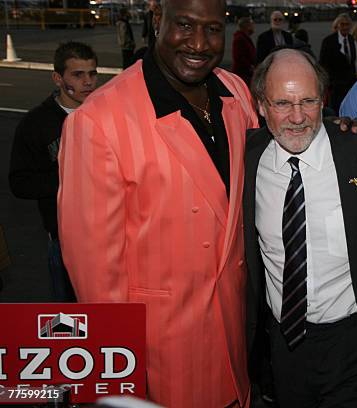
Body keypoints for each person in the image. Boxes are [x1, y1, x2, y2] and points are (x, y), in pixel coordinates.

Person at [57, 0, 259, 406]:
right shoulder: (98, 120)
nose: (199, 43)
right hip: (160, 360)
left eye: (213, 29)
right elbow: (97, 281)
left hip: (235, 342)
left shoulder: (235, 91)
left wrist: (342, 138)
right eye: (184, 25)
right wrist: (121, 385)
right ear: (156, 21)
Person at [245, 49, 357, 408]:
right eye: (283, 103)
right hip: (283, 346)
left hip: (355, 343)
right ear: (261, 105)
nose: (297, 118)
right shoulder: (247, 156)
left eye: (308, 101)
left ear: (324, 99)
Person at [9, 41, 98, 303]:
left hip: (115, 234)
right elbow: (20, 182)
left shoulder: (107, 113)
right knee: (71, 318)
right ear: (58, 78)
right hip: (65, 238)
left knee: (112, 317)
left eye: (92, 73)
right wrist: (71, 178)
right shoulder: (36, 124)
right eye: (78, 74)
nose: (88, 82)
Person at [319, 13, 357, 115]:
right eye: (342, 24)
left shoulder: (352, 40)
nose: (345, 27)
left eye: (347, 24)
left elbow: (354, 61)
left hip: (350, 85)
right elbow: (323, 63)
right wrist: (328, 83)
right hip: (335, 87)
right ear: (337, 25)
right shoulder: (328, 41)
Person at [232, 16, 256, 85]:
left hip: (245, 74)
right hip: (242, 75)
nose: (254, 26)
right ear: (247, 26)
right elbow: (239, 57)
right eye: (252, 24)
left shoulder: (244, 37)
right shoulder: (240, 39)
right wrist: (250, 67)